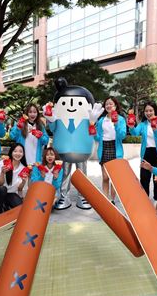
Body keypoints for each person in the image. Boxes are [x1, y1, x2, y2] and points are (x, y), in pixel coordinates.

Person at [44, 78, 103, 210]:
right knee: (65, 172)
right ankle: (64, 196)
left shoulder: (87, 120)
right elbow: (53, 129)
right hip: (64, 150)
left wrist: (93, 122)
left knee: (82, 173)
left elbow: (94, 134)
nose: (71, 106)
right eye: (65, 103)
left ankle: (83, 195)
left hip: (82, 150)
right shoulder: (59, 120)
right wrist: (51, 119)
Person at [128, 101, 157, 204]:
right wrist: (131, 126)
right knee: (144, 179)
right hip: (147, 154)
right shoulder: (143, 124)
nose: (148, 113)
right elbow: (135, 133)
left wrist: (155, 129)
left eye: (150, 110)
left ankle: (156, 200)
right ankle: (144, 201)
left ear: (155, 111)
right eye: (146, 111)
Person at [94, 97, 126, 204]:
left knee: (114, 177)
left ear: (115, 106)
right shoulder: (101, 120)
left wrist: (116, 123)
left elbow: (122, 135)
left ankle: (112, 200)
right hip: (104, 148)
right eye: (107, 104)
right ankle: (105, 199)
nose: (108, 106)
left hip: (115, 149)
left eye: (111, 104)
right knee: (105, 177)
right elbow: (98, 137)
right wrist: (92, 131)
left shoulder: (121, 119)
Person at [0, 143, 28, 214]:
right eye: (15, 151)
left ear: (23, 154)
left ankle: (5, 204)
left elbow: (19, 189)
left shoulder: (23, 168)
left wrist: (23, 182)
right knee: (3, 189)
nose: (18, 153)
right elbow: (0, 184)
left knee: (20, 206)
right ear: (11, 152)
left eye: (20, 151)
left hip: (9, 192)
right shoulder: (2, 163)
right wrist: (2, 172)